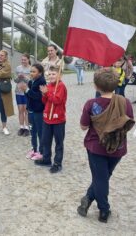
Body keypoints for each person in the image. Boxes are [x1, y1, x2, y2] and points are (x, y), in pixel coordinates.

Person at [77, 68, 134, 223]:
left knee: (100, 178)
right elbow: (129, 124)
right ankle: (90, 199)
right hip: (118, 147)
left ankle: (103, 209)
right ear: (116, 84)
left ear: (96, 86)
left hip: (96, 148)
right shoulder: (125, 102)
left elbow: (83, 126)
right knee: (103, 176)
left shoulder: (91, 103)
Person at [35, 65, 67, 174]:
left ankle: (57, 163)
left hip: (58, 119)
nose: (51, 76)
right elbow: (45, 101)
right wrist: (44, 94)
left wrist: (47, 93)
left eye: (54, 74)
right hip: (47, 118)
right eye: (50, 74)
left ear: (60, 75)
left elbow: (57, 100)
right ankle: (46, 159)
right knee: (45, 141)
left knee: (59, 142)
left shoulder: (61, 86)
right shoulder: (49, 85)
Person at [20, 63, 46, 160]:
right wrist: (24, 91)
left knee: (40, 131)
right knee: (32, 131)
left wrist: (27, 90)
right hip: (30, 110)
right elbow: (29, 97)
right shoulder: (31, 82)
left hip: (38, 111)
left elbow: (38, 96)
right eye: (31, 71)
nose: (31, 73)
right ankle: (34, 149)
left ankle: (41, 151)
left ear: (40, 73)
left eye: (34, 71)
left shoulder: (41, 82)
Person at [14, 53, 31, 136]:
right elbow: (15, 80)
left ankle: (27, 128)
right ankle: (21, 127)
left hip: (27, 92)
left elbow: (31, 82)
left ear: (28, 59)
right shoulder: (18, 68)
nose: (23, 61)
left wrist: (24, 77)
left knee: (27, 110)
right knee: (20, 110)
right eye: (22, 60)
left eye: (25, 59)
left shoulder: (31, 69)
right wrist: (18, 77)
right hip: (18, 91)